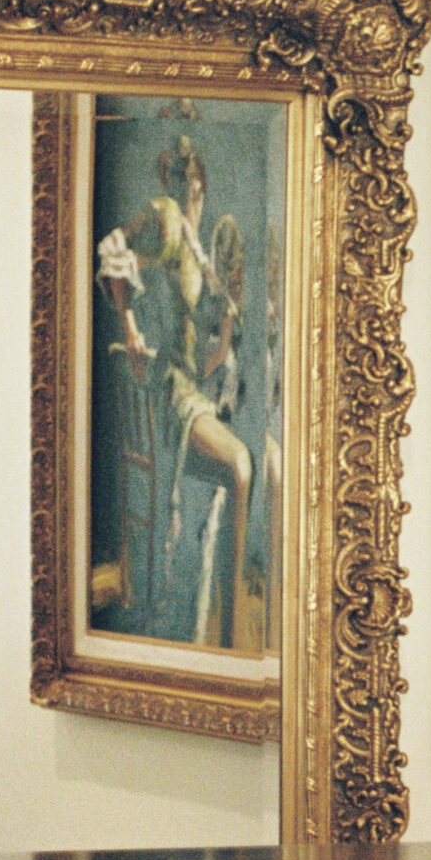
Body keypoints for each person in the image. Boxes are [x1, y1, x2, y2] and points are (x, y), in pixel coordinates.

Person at [96, 133, 255, 646]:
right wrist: (131, 332)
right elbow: (111, 251)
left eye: (196, 169)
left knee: (271, 464)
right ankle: (228, 639)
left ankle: (229, 631)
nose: (193, 178)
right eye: (182, 168)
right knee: (240, 467)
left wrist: (226, 332)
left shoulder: (205, 238)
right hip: (171, 388)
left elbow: (211, 344)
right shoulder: (165, 217)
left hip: (208, 388)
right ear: (172, 174)